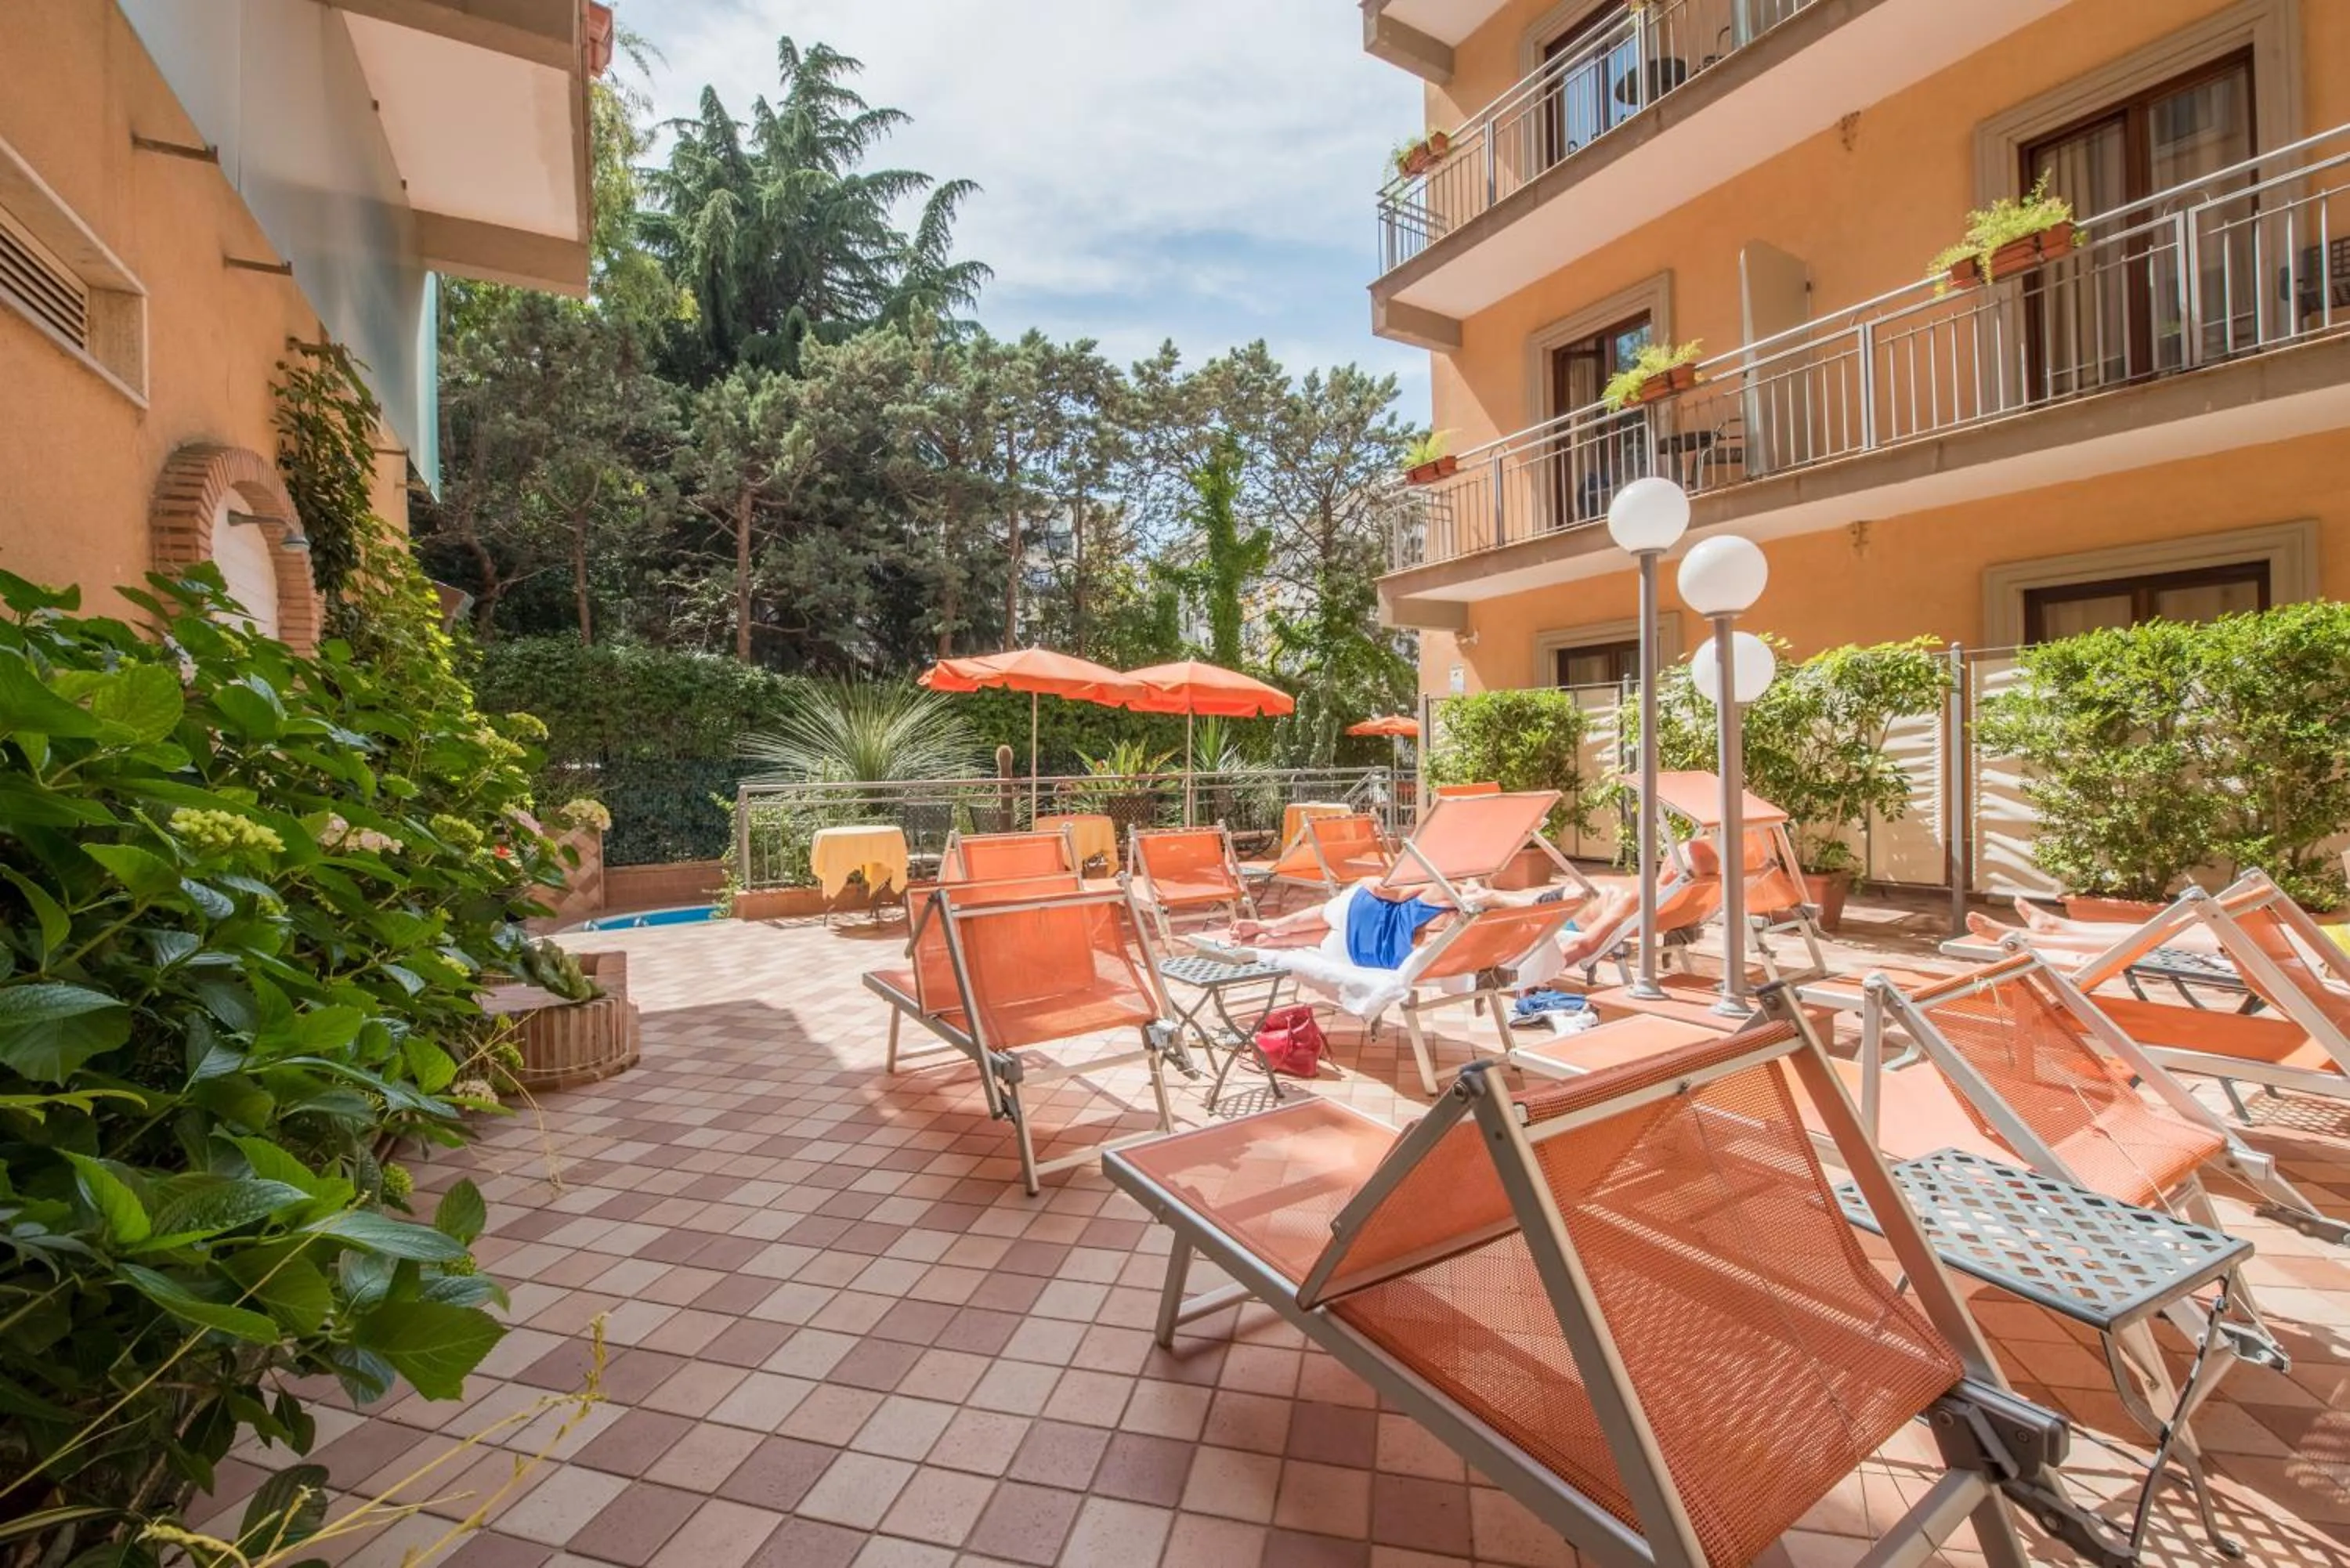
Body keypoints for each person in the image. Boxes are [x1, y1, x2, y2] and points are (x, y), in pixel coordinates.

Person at [1232, 877, 1637, 974]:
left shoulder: (1434, 897)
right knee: (1324, 927)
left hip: (1359, 928)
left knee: (1325, 919)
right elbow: (1582, 946)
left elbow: (1387, 891)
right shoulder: (1511, 946)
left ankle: (1270, 930)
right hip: (1385, 954)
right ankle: (1270, 933)